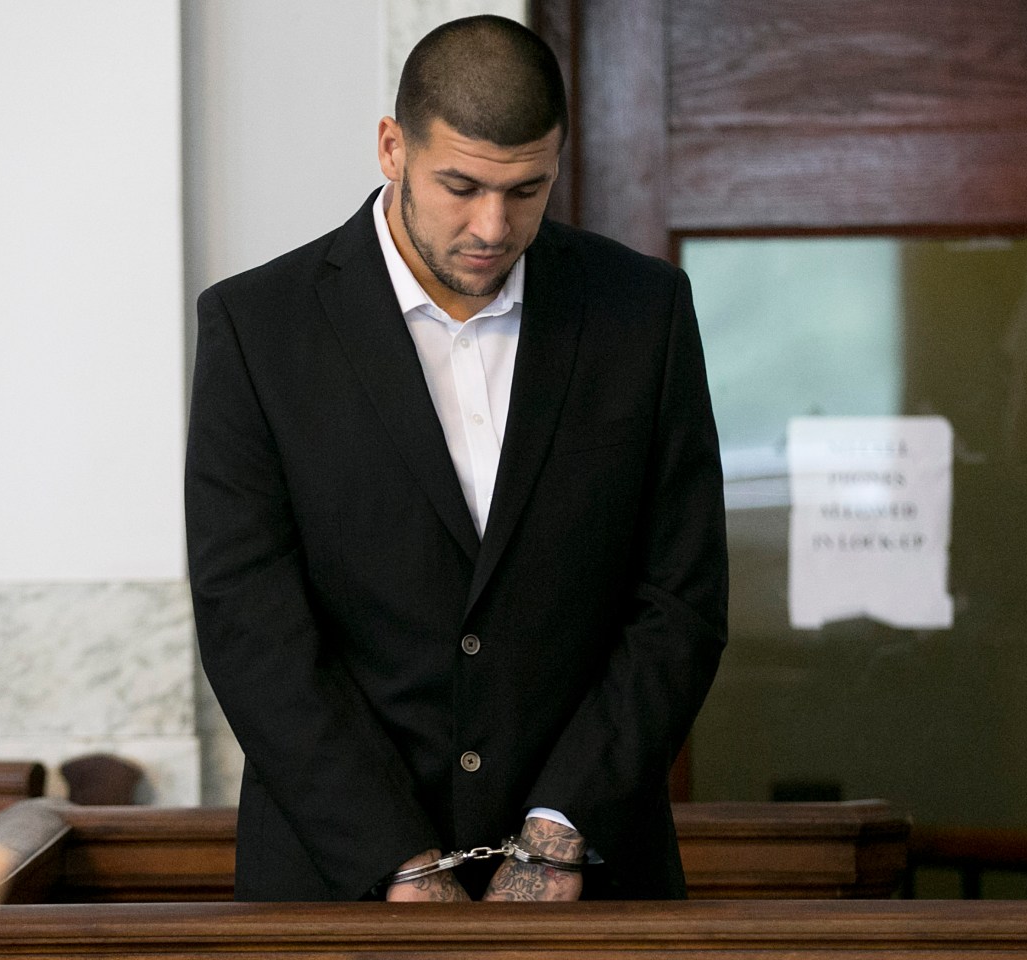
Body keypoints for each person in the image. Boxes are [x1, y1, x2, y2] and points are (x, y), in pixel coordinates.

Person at [185, 14, 726, 902]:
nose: (493, 224)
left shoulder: (643, 311)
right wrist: (396, 860)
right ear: (392, 147)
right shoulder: (257, 329)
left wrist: (560, 831)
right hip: (338, 881)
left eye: (527, 189)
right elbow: (252, 629)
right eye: (461, 185)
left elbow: (681, 599)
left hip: (592, 879)